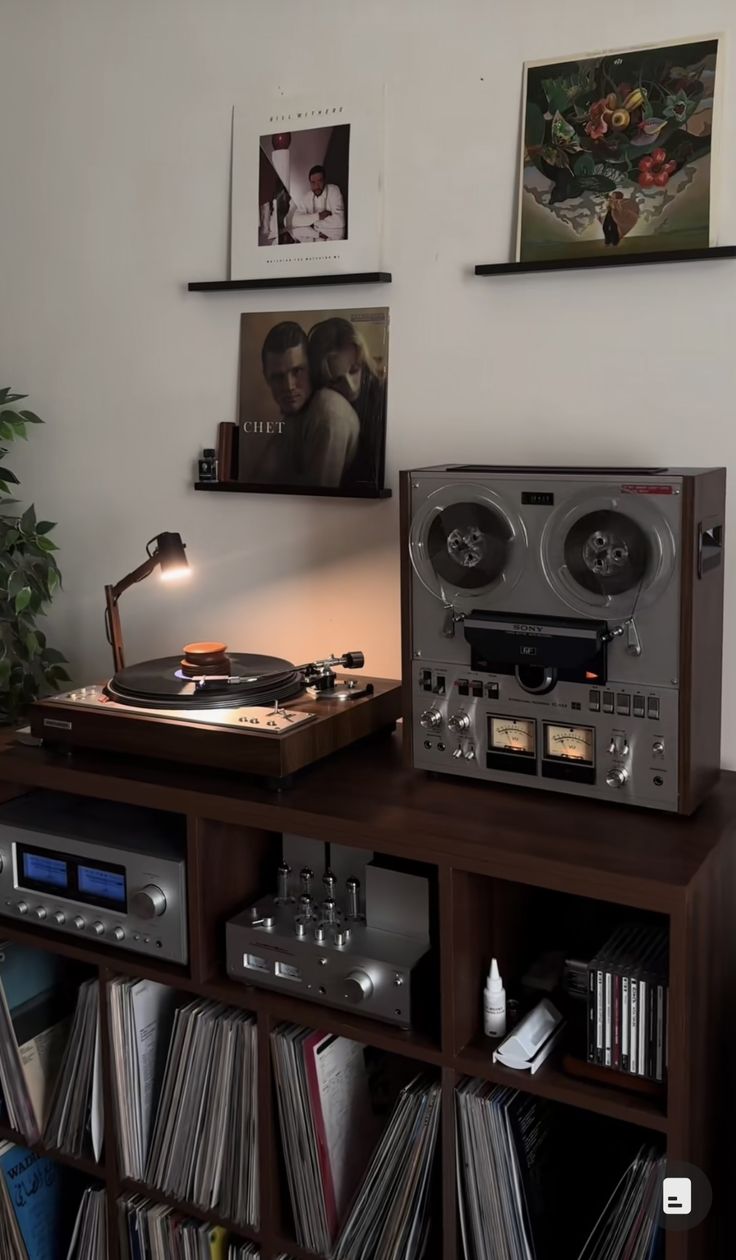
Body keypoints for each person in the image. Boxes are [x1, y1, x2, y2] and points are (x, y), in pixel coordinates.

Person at [248, 320, 359, 487]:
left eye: (297, 371)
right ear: (266, 378)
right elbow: (259, 479)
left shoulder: (329, 410)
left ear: (312, 368)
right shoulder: (296, 415)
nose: (289, 386)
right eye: (278, 377)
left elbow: (318, 502)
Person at [307, 318, 386, 486]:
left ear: (363, 362)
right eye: (336, 380)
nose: (350, 386)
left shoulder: (382, 394)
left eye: (354, 370)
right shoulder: (323, 403)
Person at [287, 165, 346, 241]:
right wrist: (318, 216)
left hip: (334, 238)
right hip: (315, 236)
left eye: (320, 181)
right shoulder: (307, 196)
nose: (316, 186)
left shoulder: (334, 190)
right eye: (313, 182)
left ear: (324, 180)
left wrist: (310, 222)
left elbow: (340, 221)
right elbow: (294, 221)